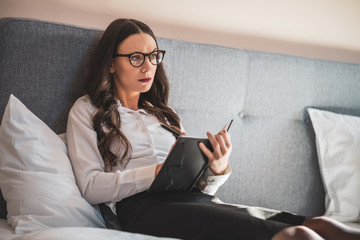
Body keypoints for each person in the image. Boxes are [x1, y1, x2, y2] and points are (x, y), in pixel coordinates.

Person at [66, 18, 360, 240]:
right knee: (298, 236)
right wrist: (154, 173)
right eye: (136, 58)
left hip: (196, 200)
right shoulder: (88, 110)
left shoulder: (165, 116)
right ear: (111, 65)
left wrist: (216, 169)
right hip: (144, 209)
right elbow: (91, 186)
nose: (148, 67)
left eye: (154, 56)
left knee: (322, 225)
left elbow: (199, 188)